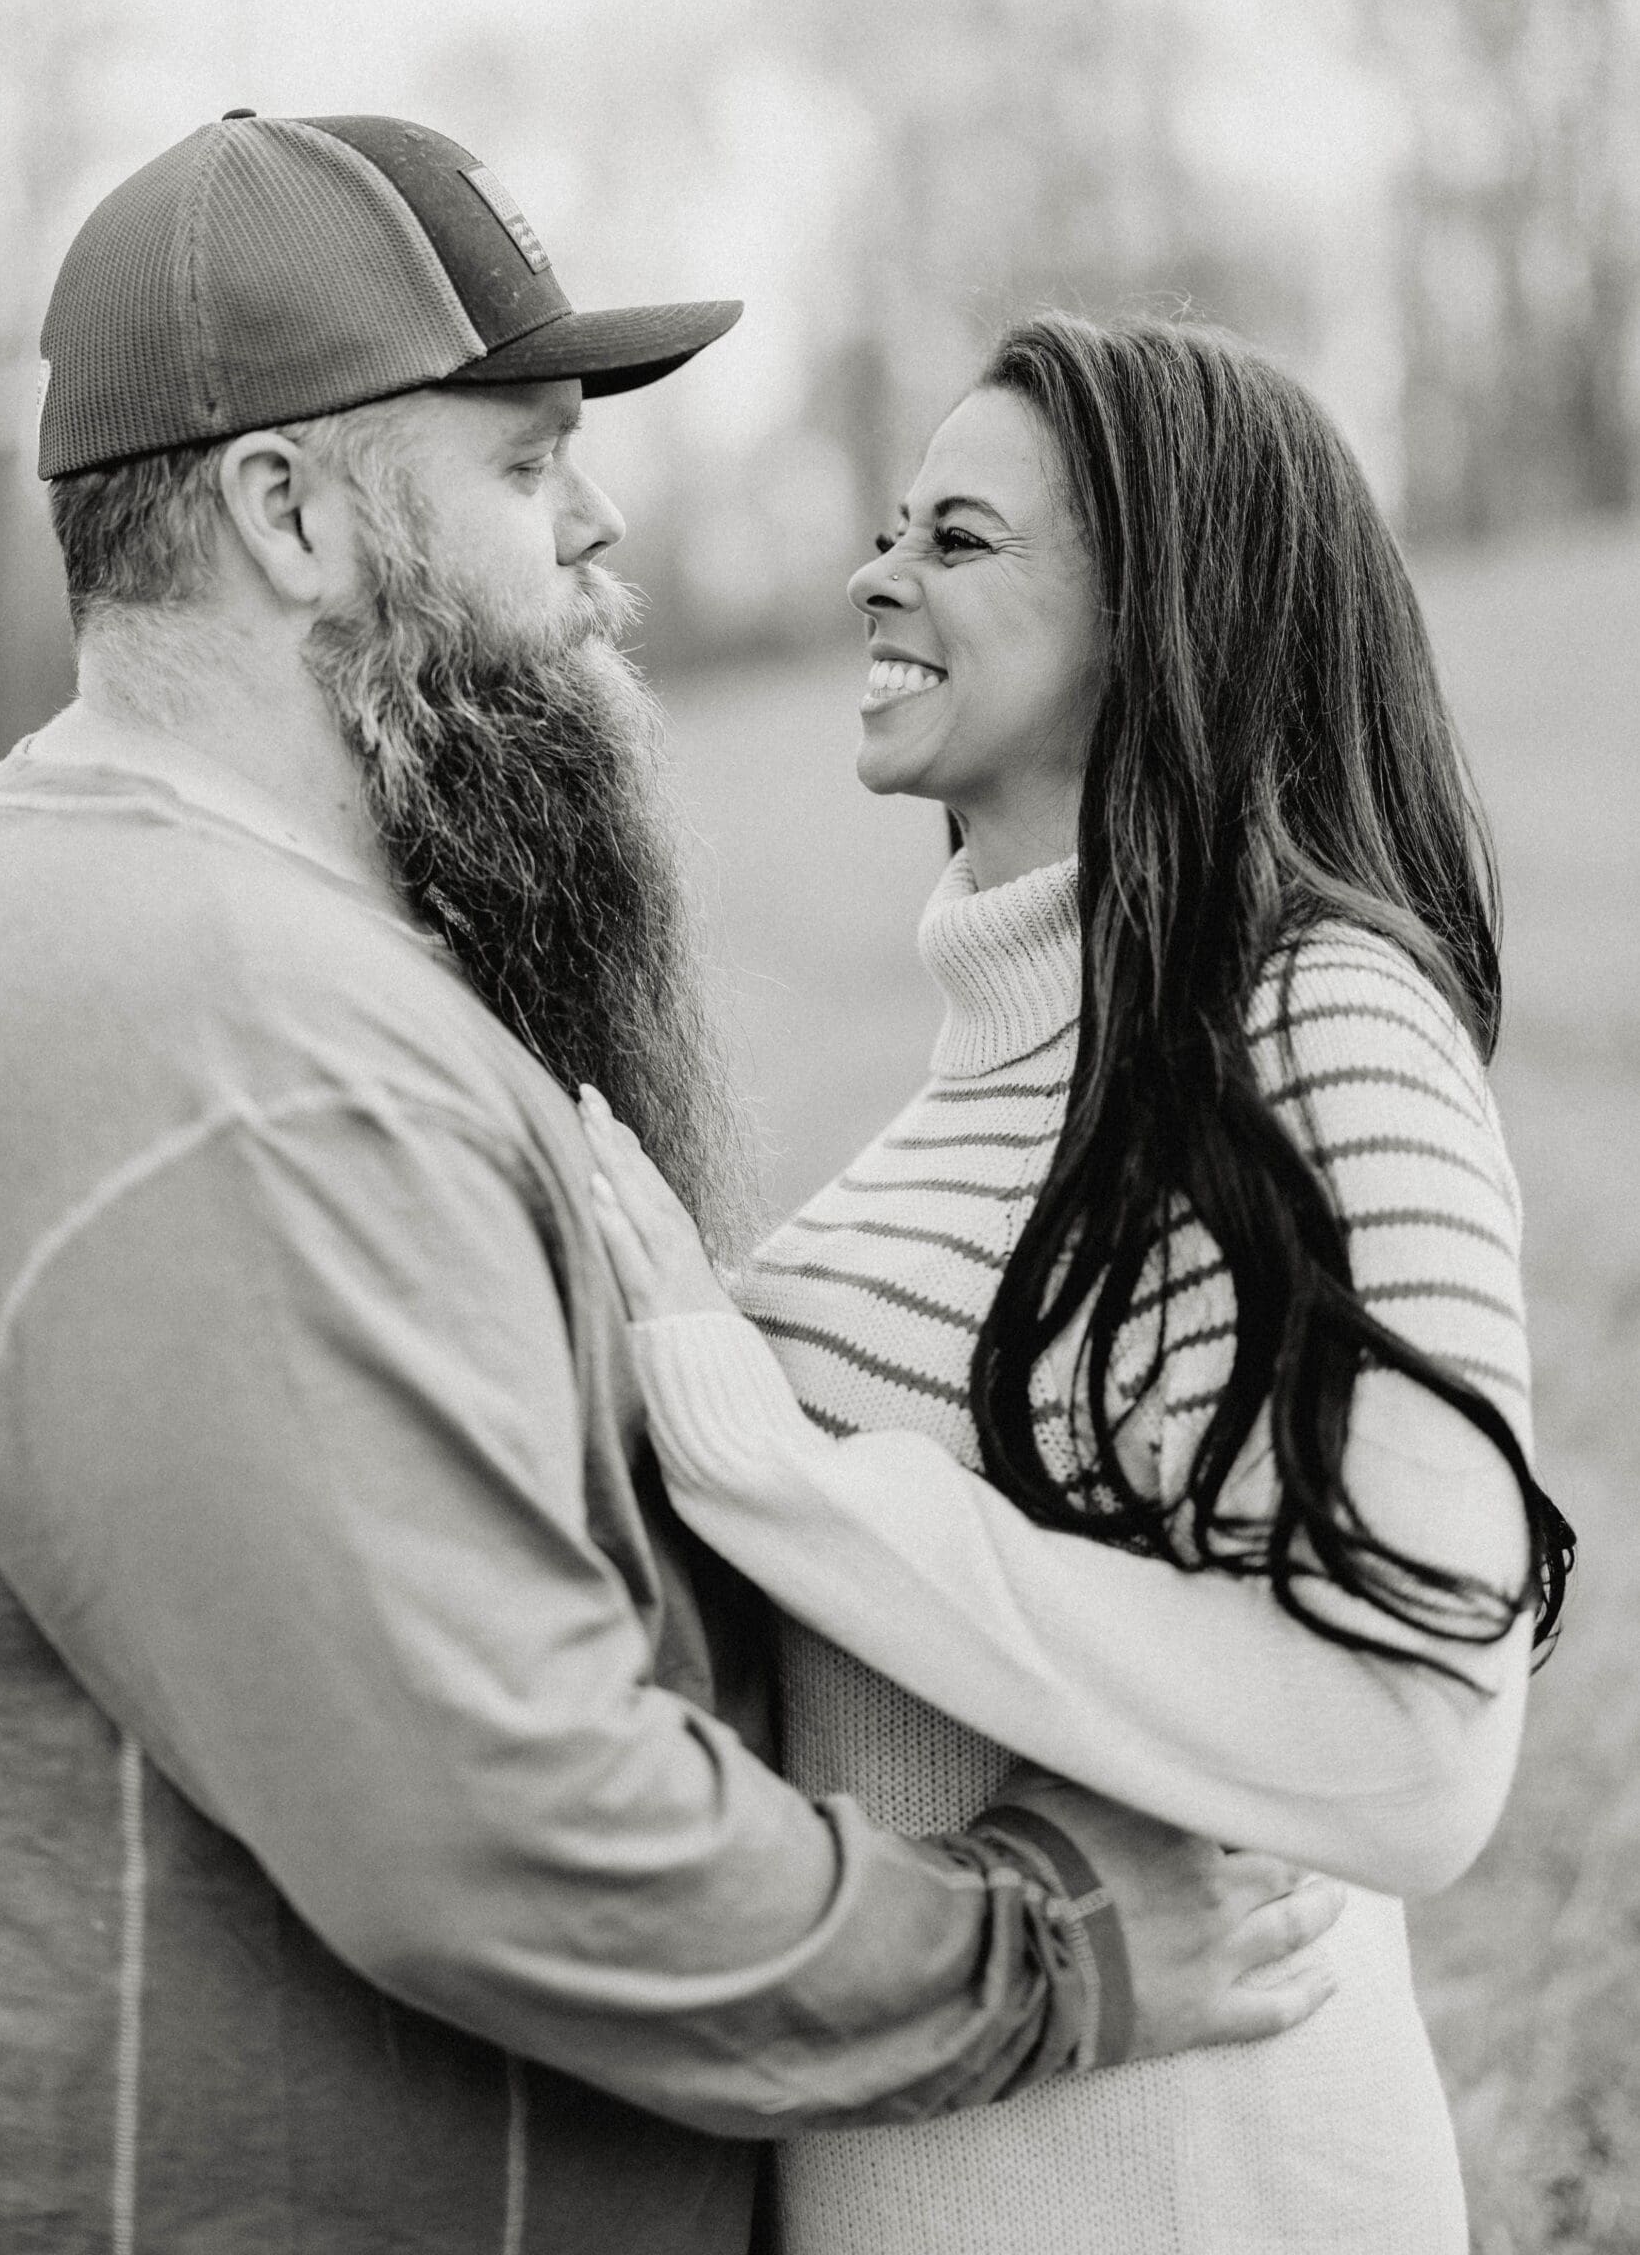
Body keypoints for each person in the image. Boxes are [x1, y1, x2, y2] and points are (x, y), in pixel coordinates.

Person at [0, 126, 1341, 2254]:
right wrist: (1056, 1941)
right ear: (286, 514)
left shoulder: (212, 941)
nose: (598, 527)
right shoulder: (223, 1042)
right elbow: (507, 1826)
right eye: (524, 460)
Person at [581, 313, 1576, 2255]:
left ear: (1161, 612)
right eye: (889, 526)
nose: (877, 572)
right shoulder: (995, 1065)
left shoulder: (1312, 1024)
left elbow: (1414, 1750)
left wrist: (786, 1475)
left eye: (957, 538)